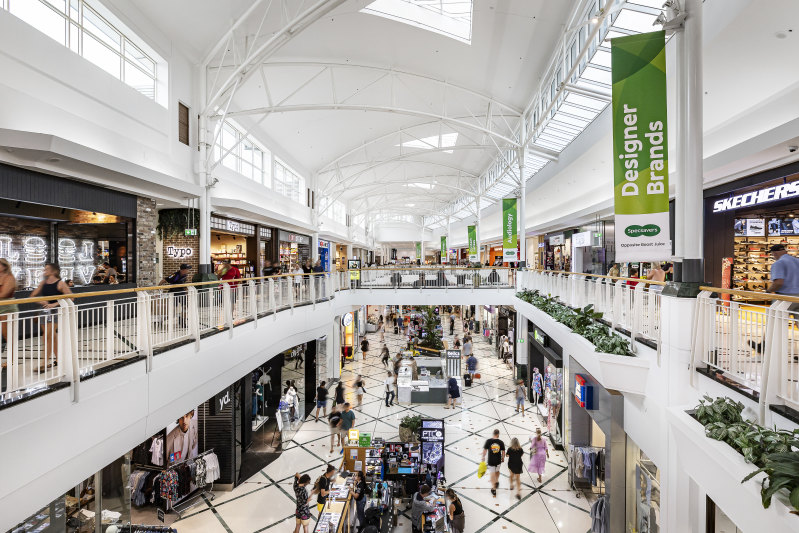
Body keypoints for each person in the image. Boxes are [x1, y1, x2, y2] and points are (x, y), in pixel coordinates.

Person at [30, 262, 72, 372]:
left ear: (54, 271)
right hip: (44, 312)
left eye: (47, 269)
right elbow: (32, 296)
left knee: (47, 336)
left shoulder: (60, 283)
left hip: (56, 312)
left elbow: (71, 297)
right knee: (51, 335)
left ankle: (44, 362)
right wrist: (42, 301)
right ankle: (59, 358)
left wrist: (55, 304)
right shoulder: (43, 283)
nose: (44, 271)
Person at [0, 258, 19, 346]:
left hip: (7, 307)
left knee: (8, 334)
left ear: (4, 266)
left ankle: (12, 354)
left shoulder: (9, 277)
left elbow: (4, 293)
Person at [481, 429, 505, 497]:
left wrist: (483, 457)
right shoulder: (501, 442)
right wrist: (503, 458)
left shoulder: (488, 441)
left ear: (493, 434)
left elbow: (485, 450)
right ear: (498, 434)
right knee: (497, 471)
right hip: (498, 461)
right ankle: (496, 481)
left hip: (491, 460)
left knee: (492, 474)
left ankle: (494, 488)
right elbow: (503, 451)